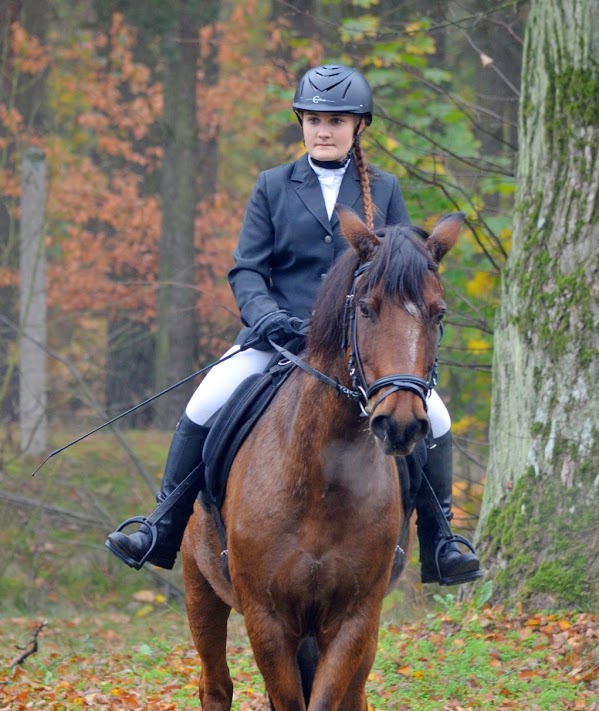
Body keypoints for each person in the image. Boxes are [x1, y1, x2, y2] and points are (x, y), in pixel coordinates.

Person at [105, 63, 481, 586]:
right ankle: (161, 526)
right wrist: (266, 317)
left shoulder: (384, 188)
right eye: (314, 121)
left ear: (358, 127)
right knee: (206, 400)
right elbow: (247, 270)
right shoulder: (273, 186)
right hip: (277, 340)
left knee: (434, 415)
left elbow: (401, 271)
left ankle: (441, 543)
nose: (324, 131)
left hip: (359, 346)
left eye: (336, 121)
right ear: (302, 123)